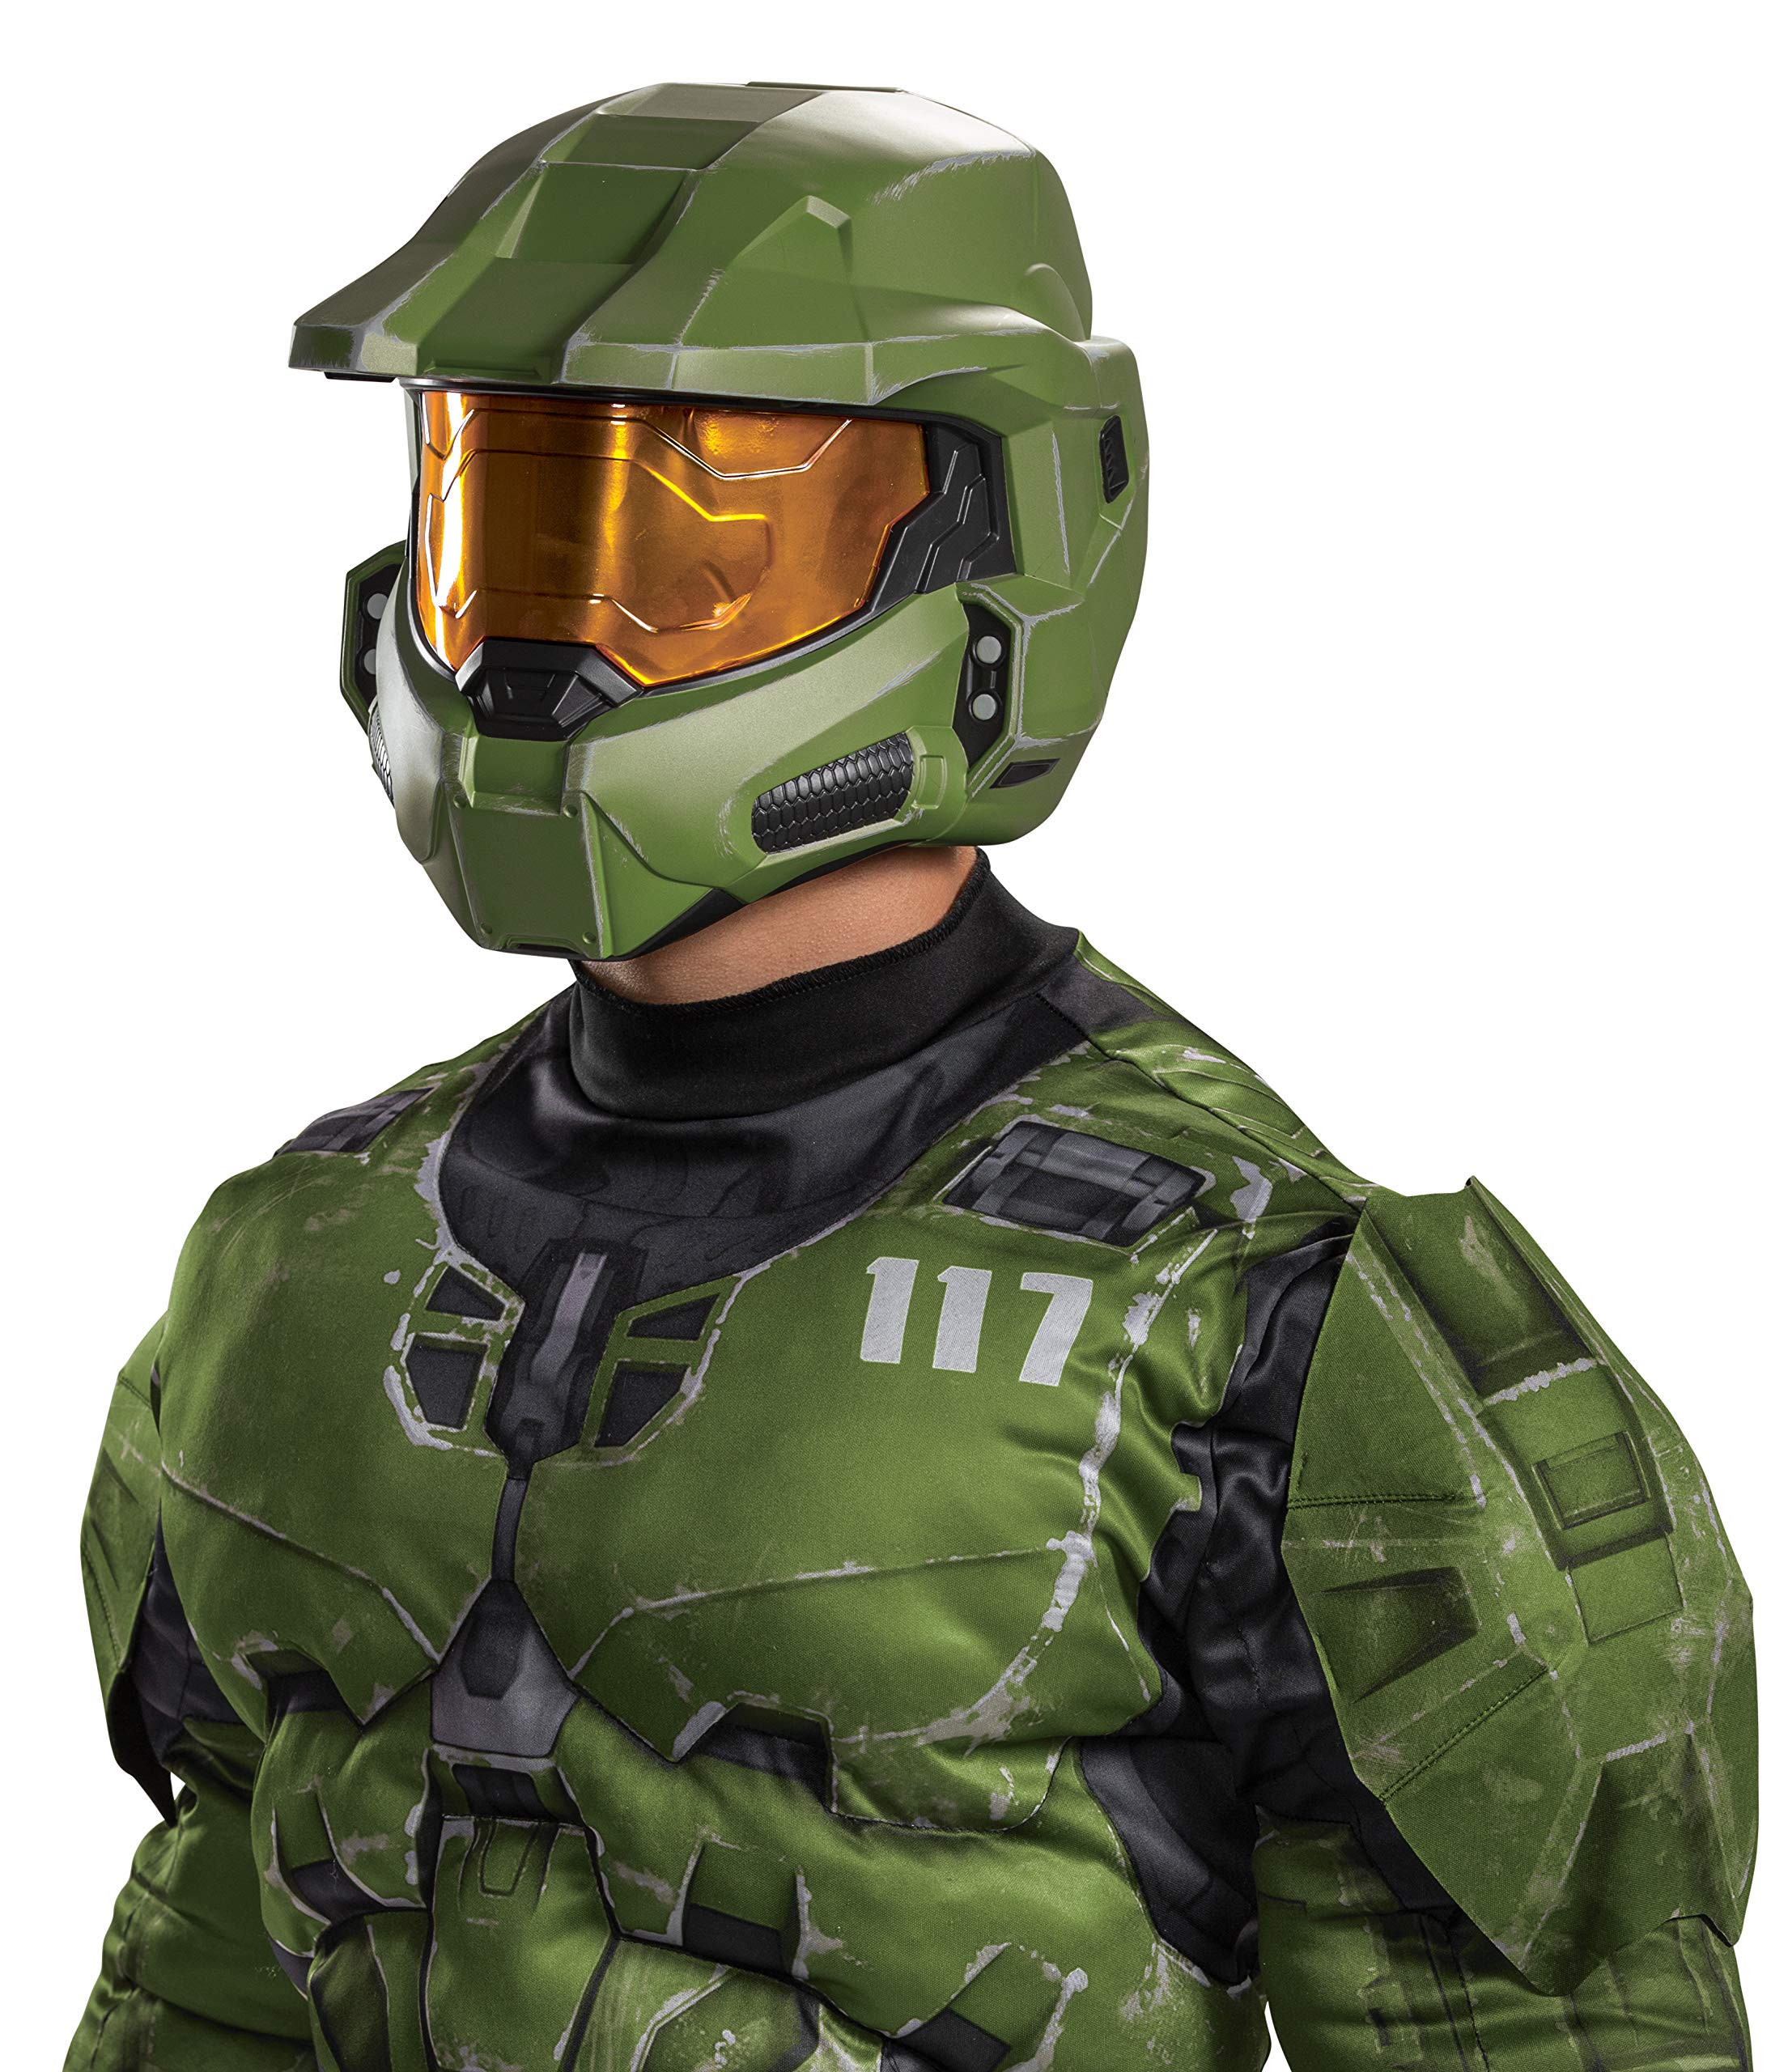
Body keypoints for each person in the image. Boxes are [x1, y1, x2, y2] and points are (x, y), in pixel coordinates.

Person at [70, 83, 1753, 2072]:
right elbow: (217, 1952)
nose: (554, 650)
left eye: (695, 549)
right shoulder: (287, 1267)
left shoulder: (1271, 1337)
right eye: (503, 524)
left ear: (997, 545)